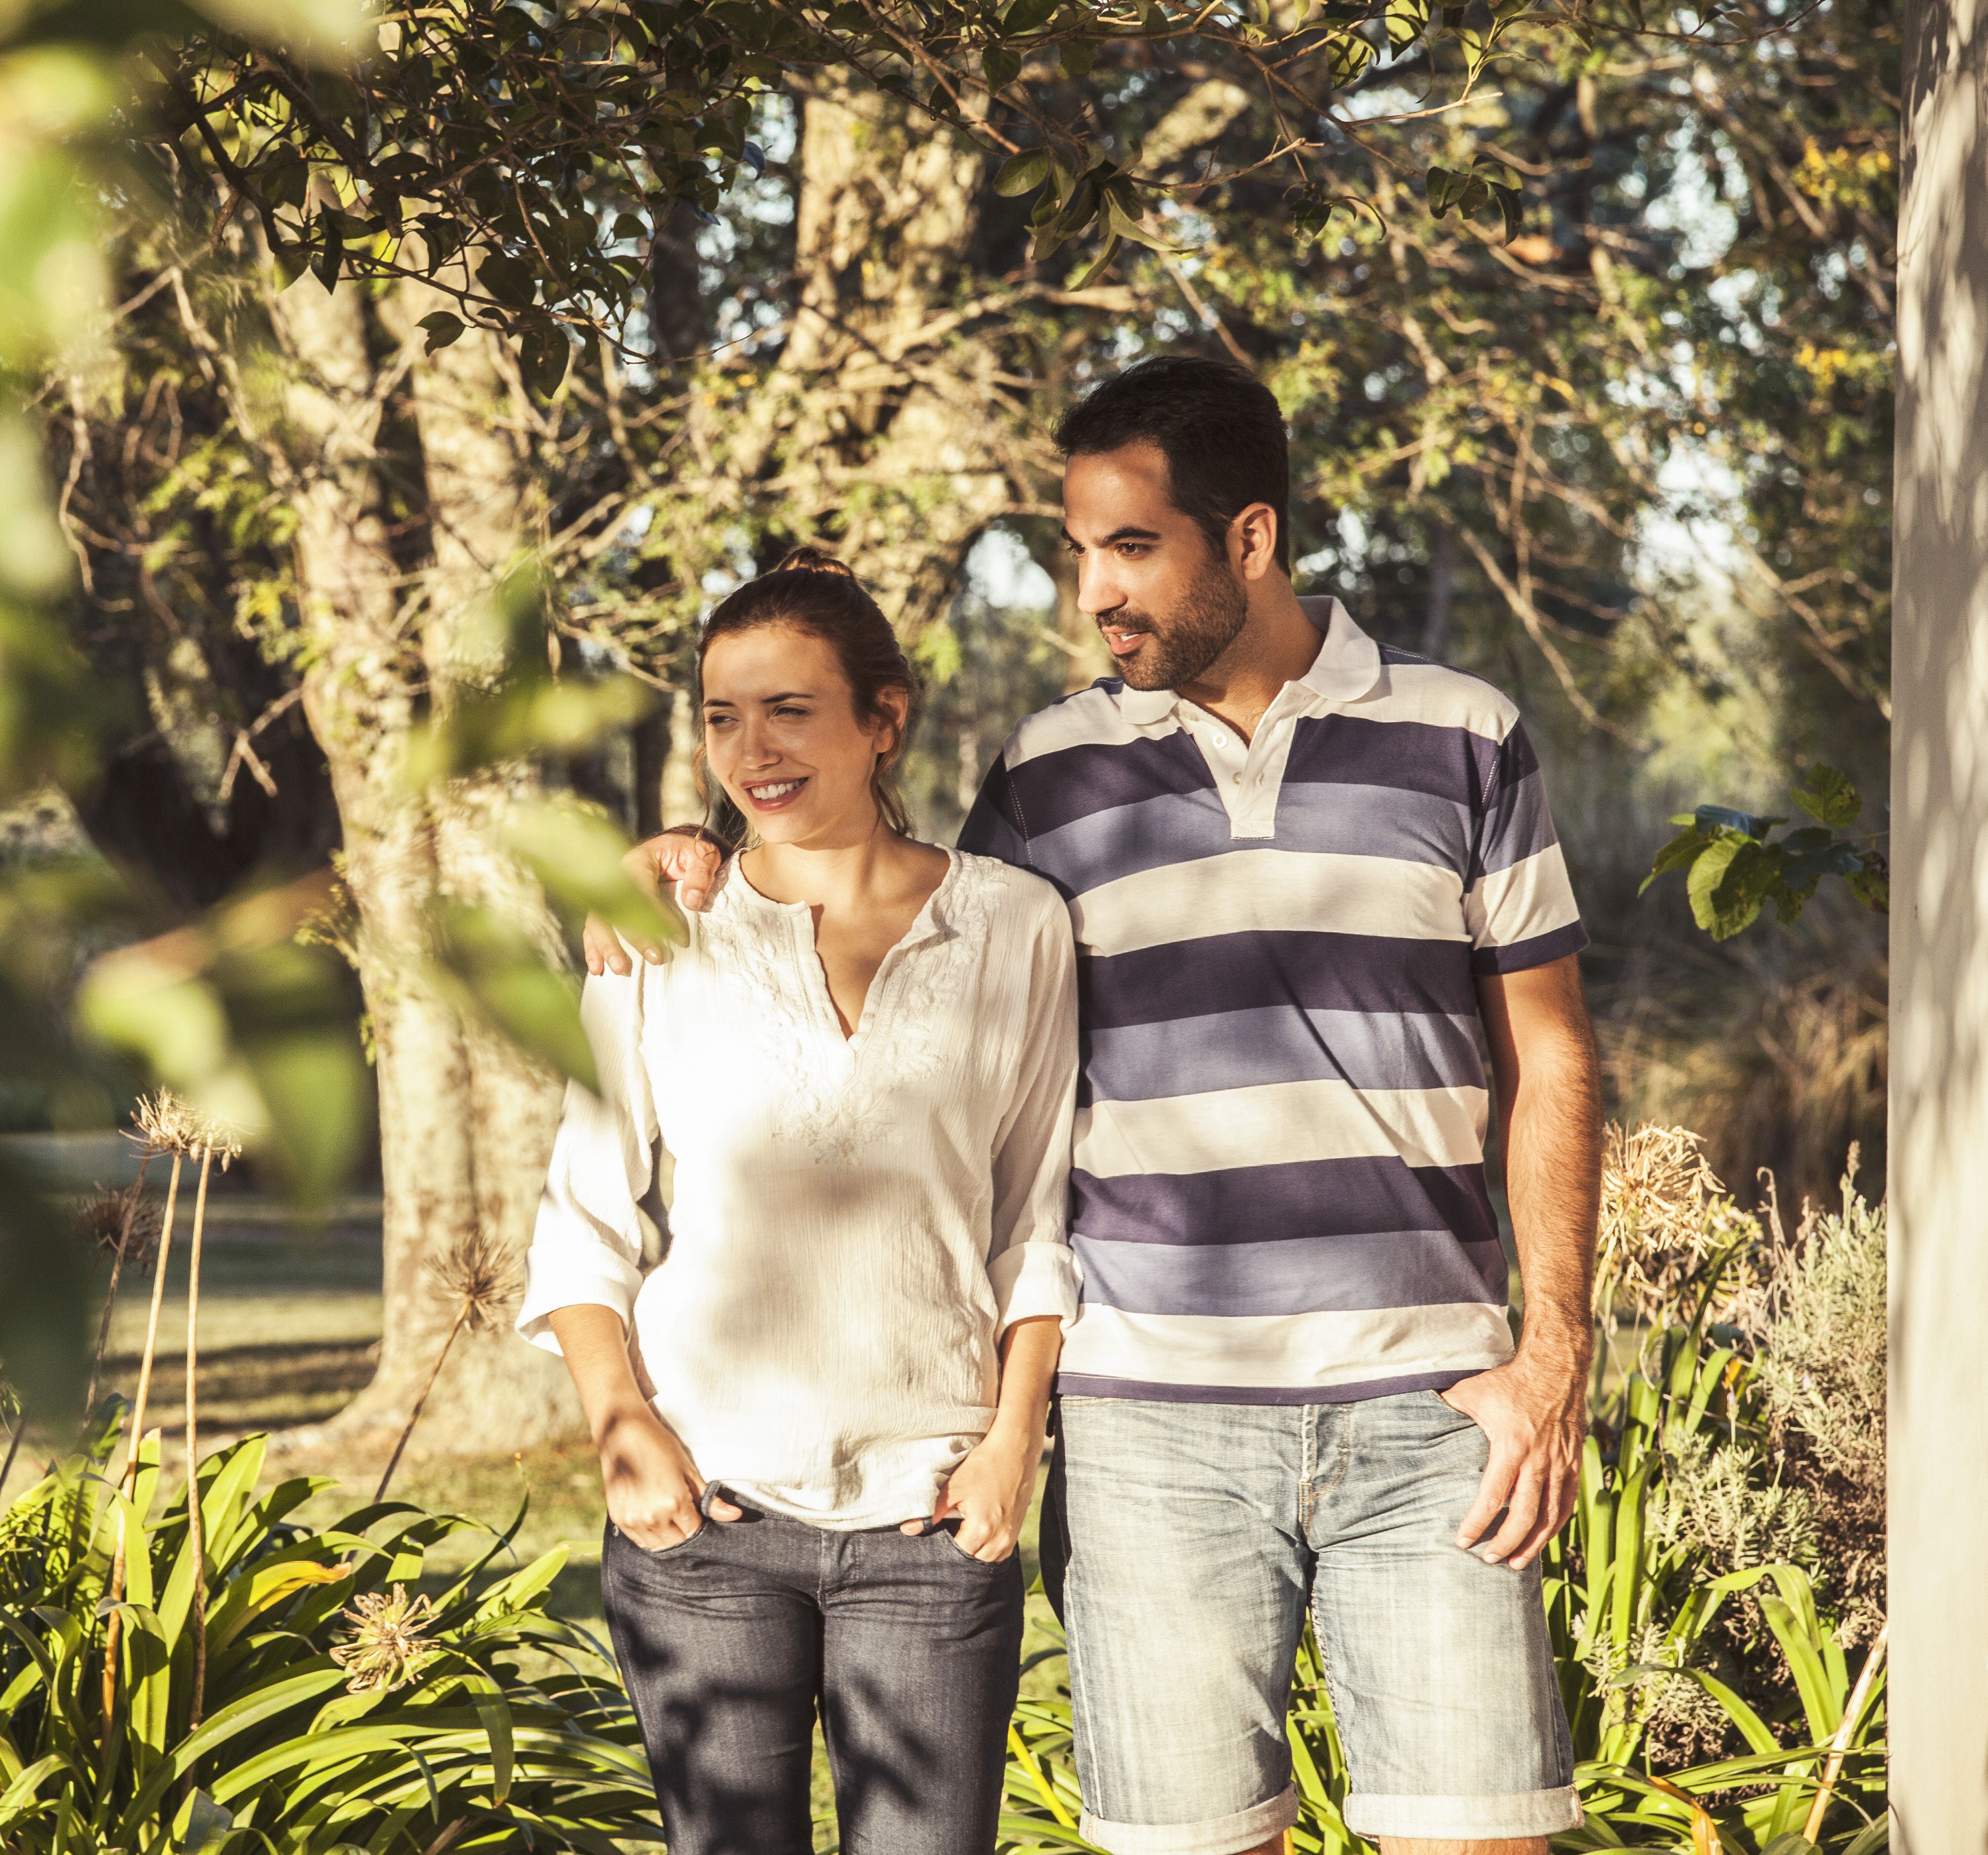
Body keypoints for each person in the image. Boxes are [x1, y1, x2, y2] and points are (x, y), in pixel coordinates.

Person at [586, 356, 1604, 1855]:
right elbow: (895, 902)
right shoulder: (1054, 772)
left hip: (1427, 1406)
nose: (1093, 594)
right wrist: (699, 850)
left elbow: (1555, 1060)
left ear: (1247, 539)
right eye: (1079, 552)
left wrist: (1555, 1350)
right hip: (1148, 1425)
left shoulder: (1462, 732)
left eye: (1131, 549)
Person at [518, 547, 1079, 1855]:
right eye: (721, 715)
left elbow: (1033, 1216)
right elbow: (584, 1209)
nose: (750, 750)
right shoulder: (656, 927)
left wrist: (1012, 1445)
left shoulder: (1015, 925)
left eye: (790, 710)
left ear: (883, 719)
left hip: (932, 1514)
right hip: (706, 1513)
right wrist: (619, 1422)